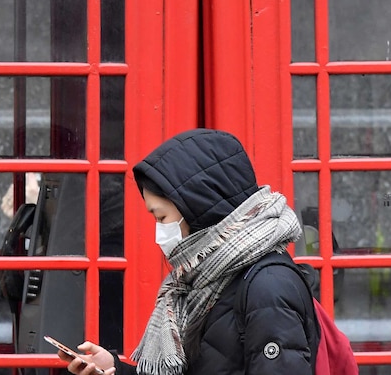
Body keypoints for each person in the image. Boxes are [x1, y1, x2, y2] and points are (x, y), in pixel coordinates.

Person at [56, 128, 319, 375]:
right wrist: (115, 369)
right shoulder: (204, 280)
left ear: (197, 209)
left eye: (161, 217)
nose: (159, 231)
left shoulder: (268, 289)